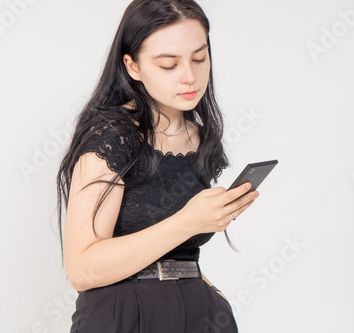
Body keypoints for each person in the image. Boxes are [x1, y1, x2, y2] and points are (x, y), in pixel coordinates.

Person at [55, 0, 260, 332]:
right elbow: (81, 269)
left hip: (199, 313)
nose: (190, 77)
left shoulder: (201, 136)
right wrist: (188, 221)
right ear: (133, 67)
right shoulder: (112, 136)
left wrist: (213, 295)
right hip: (124, 315)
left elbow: (179, 255)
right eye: (169, 65)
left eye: (199, 58)